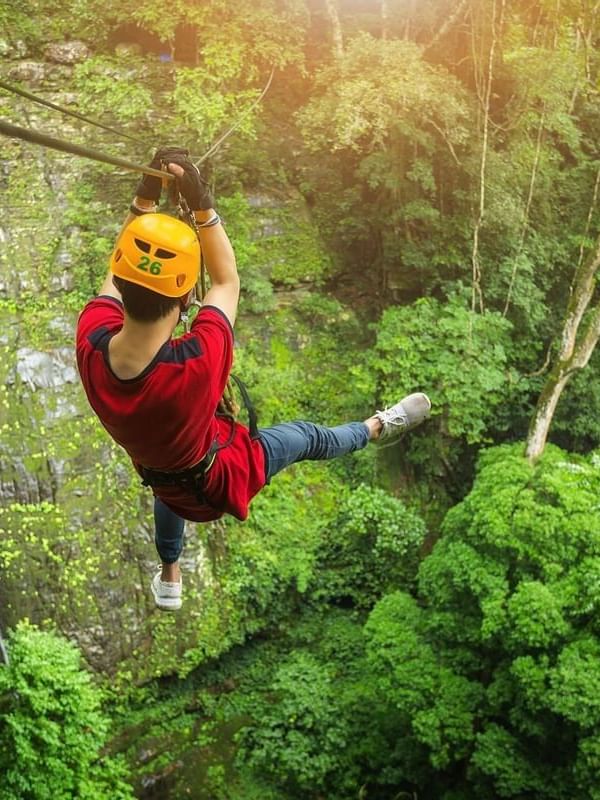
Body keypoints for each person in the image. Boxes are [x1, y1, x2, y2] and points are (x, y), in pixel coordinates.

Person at [76, 148, 431, 611]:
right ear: (186, 299)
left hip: (161, 472)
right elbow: (226, 281)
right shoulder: (195, 364)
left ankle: (170, 575)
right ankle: (376, 428)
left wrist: (148, 205)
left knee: (170, 483)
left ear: (122, 286)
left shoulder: (92, 343)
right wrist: (197, 200)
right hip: (220, 478)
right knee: (305, 437)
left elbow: (126, 275)